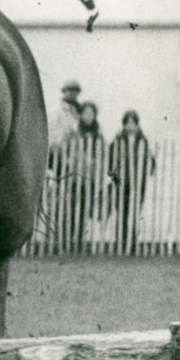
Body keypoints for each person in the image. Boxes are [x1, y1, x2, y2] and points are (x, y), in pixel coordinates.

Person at [107, 109, 155, 254]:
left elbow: (151, 162)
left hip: (138, 184)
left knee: (135, 214)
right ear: (123, 124)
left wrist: (146, 173)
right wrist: (115, 178)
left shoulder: (143, 141)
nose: (130, 126)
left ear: (137, 124)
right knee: (121, 213)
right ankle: (120, 243)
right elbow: (110, 162)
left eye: (133, 122)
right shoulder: (117, 140)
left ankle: (132, 244)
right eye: (127, 122)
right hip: (122, 184)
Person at [63, 100, 105, 249]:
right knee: (71, 208)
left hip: (90, 178)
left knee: (84, 211)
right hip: (74, 177)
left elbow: (102, 156)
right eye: (86, 113)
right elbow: (64, 152)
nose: (89, 116)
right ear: (80, 115)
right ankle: (67, 240)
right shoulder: (73, 133)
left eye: (91, 113)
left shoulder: (97, 135)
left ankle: (79, 241)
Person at [48, 80, 82, 159]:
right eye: (69, 90)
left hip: (73, 151)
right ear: (64, 91)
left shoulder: (78, 111)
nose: (72, 94)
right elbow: (53, 132)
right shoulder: (57, 110)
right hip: (58, 151)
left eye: (75, 91)